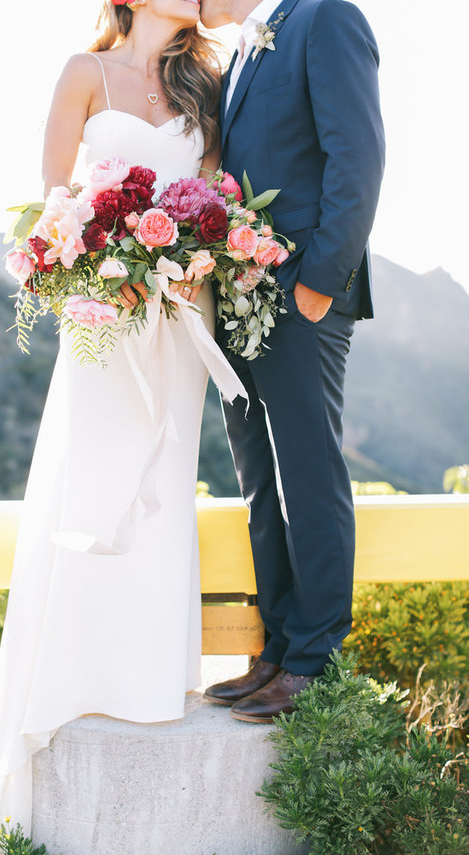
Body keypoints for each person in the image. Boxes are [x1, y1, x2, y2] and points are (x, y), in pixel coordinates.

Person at [0, 1, 245, 850]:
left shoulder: (205, 85)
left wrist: (187, 262)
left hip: (179, 316)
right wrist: (104, 261)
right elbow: (52, 207)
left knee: (162, 477)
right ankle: (75, 671)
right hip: (102, 317)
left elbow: (216, 199)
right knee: (95, 469)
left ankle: (148, 673)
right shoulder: (83, 73)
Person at [200, 0, 385, 722]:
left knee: (308, 474)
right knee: (260, 482)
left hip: (304, 293)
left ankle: (314, 661)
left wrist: (320, 281)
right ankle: (277, 649)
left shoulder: (325, 16)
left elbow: (358, 157)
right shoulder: (238, 55)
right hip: (240, 296)